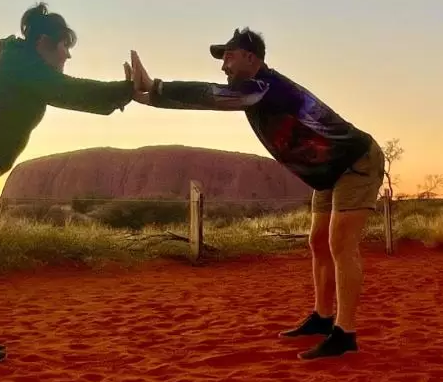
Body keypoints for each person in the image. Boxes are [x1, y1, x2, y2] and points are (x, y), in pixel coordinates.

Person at [128, 28, 384, 360]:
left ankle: (345, 334)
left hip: (355, 161)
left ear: (252, 58)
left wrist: (157, 88)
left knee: (341, 245)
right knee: (318, 243)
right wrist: (149, 98)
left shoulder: (267, 87)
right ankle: (322, 318)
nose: (224, 67)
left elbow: (212, 96)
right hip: (327, 171)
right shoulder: (252, 92)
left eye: (229, 58)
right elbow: (212, 101)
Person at [0, 2, 136, 364]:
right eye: (65, 46)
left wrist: (120, 96)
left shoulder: (18, 64)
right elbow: (70, 91)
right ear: (44, 42)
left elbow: (66, 90)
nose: (67, 55)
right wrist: (126, 90)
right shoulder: (21, 65)